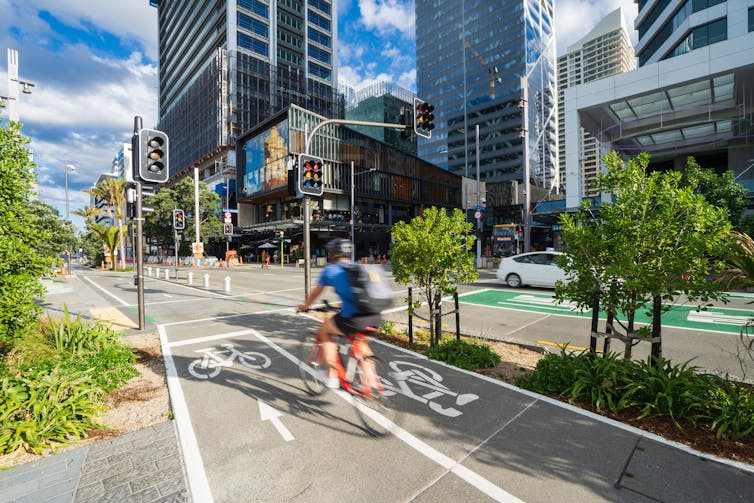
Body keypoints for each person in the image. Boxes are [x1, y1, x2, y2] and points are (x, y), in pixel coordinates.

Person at [297, 238, 381, 388]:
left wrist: (305, 306)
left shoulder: (331, 270)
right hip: (375, 316)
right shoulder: (359, 267)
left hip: (354, 319)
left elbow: (315, 294)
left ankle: (332, 376)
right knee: (360, 343)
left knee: (325, 331)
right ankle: (373, 382)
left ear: (333, 254)